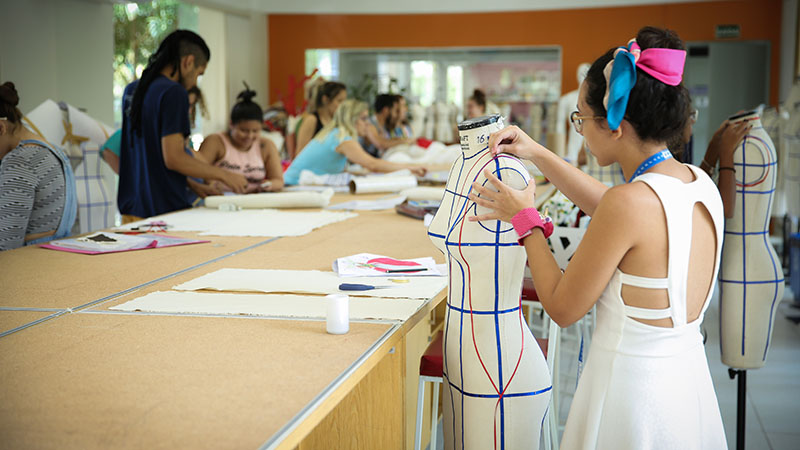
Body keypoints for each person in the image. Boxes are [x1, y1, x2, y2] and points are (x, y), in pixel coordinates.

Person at [468, 27, 728, 448]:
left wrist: (525, 220)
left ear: (616, 125)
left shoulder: (628, 205)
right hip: (686, 388)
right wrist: (536, 152)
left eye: (581, 119)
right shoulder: (696, 184)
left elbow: (562, 306)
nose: (581, 132)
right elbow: (610, 205)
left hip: (631, 395)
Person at [118, 30, 247, 222]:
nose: (195, 81)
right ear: (188, 62)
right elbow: (174, 158)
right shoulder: (174, 92)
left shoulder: (133, 90)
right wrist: (225, 176)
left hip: (132, 212)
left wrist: (193, 185)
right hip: (163, 214)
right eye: (199, 73)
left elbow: (154, 157)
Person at [0, 82, 76, 251]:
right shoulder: (53, 151)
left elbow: (6, 244)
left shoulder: (19, 161)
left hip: (29, 265)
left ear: (1, 128)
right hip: (55, 259)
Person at [284, 99, 425, 185]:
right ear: (351, 119)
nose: (367, 123)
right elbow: (372, 164)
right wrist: (409, 168)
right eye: (363, 118)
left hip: (295, 183)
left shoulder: (335, 133)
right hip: (293, 186)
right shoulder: (342, 138)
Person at [196, 87, 284, 193]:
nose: (250, 136)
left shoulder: (266, 145)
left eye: (255, 131)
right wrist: (212, 183)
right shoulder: (215, 142)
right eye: (244, 130)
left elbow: (278, 180)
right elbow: (197, 171)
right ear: (231, 124)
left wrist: (268, 185)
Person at [294, 81, 347, 158]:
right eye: (339, 101)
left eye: (344, 101)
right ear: (325, 99)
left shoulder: (337, 122)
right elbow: (300, 154)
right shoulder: (311, 120)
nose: (343, 106)